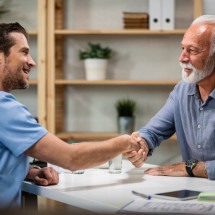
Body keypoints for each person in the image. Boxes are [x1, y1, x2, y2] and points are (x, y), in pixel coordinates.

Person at [0, 22, 146, 208]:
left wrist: (28, 172)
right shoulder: (6, 108)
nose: (32, 61)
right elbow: (72, 159)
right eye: (24, 52)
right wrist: (124, 143)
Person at [125, 14, 215, 180]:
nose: (182, 58)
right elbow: (152, 131)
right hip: (193, 194)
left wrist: (194, 168)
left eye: (193, 51)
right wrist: (141, 144)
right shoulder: (182, 90)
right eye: (183, 49)